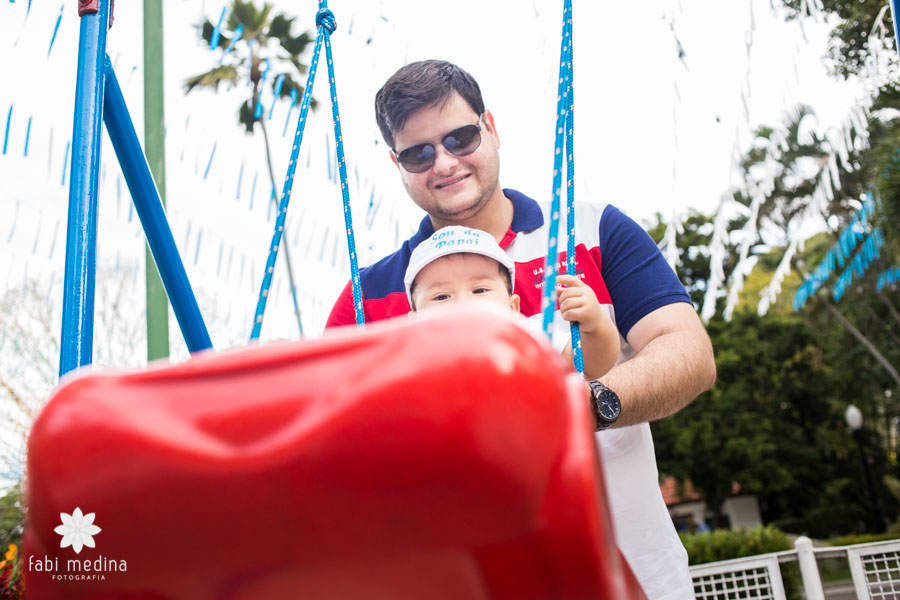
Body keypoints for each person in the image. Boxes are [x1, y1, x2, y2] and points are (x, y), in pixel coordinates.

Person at [326, 59, 716, 599]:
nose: (444, 163)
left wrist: (585, 405)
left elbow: (690, 353)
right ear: (396, 162)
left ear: (491, 127)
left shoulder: (593, 228)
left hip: (633, 574)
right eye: (418, 153)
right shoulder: (367, 297)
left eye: (460, 138)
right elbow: (333, 441)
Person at [404, 225, 620, 380]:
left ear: (513, 308)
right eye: (441, 297)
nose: (463, 303)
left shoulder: (528, 337)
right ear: (412, 323)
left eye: (479, 290)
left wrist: (595, 324)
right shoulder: (412, 359)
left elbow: (592, 366)